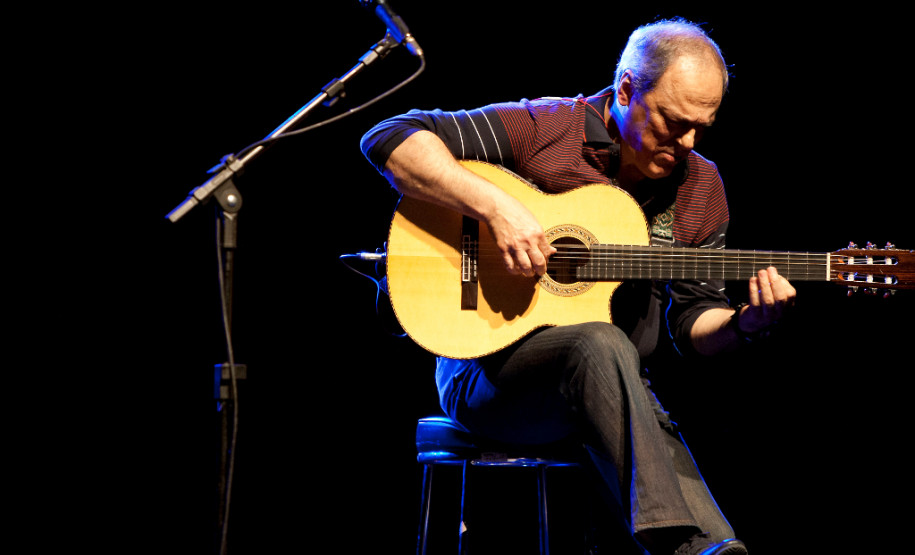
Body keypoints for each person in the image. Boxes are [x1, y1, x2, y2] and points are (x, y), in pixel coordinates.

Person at [360, 18, 795, 555]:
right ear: (628, 89)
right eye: (671, 122)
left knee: (612, 361)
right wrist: (497, 208)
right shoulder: (548, 127)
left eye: (702, 128)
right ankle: (679, 546)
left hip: (612, 392)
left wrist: (746, 326)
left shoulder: (701, 186)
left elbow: (692, 323)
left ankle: (707, 549)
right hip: (488, 378)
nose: (686, 142)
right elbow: (389, 138)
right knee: (601, 342)